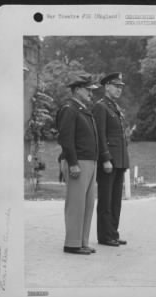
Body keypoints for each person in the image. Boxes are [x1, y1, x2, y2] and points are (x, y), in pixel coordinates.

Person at [56, 73, 99, 255]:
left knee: (87, 203)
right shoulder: (69, 108)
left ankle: (82, 241)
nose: (91, 93)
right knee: (76, 203)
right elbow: (65, 138)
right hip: (78, 161)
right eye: (88, 89)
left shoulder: (81, 109)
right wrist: (72, 163)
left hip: (89, 161)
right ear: (77, 90)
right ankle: (72, 243)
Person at [92, 72, 130, 247]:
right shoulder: (101, 107)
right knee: (106, 200)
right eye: (116, 86)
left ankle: (113, 233)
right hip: (109, 162)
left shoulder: (113, 107)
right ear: (106, 86)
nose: (119, 89)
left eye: (121, 87)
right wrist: (105, 158)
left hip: (119, 161)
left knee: (115, 200)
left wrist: (122, 160)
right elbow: (100, 135)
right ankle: (105, 236)